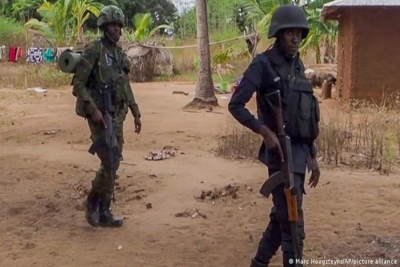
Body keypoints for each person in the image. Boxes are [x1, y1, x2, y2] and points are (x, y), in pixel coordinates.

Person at [228, 4, 321, 267]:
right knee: (293, 224)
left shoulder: (299, 65)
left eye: (299, 33)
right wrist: (263, 130)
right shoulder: (263, 64)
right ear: (278, 34)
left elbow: (306, 115)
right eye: (289, 33)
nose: (295, 38)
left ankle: (258, 263)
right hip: (279, 153)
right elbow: (235, 105)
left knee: (282, 216)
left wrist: (312, 156)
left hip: (300, 154)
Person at [72, 5, 142, 228]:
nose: (117, 31)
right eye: (113, 26)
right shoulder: (94, 51)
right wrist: (93, 110)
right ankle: (93, 203)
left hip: (116, 113)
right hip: (99, 114)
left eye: (119, 27)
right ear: (104, 26)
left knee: (115, 160)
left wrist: (135, 110)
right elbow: (78, 84)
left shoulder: (119, 55)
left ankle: (104, 210)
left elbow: (125, 85)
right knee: (109, 160)